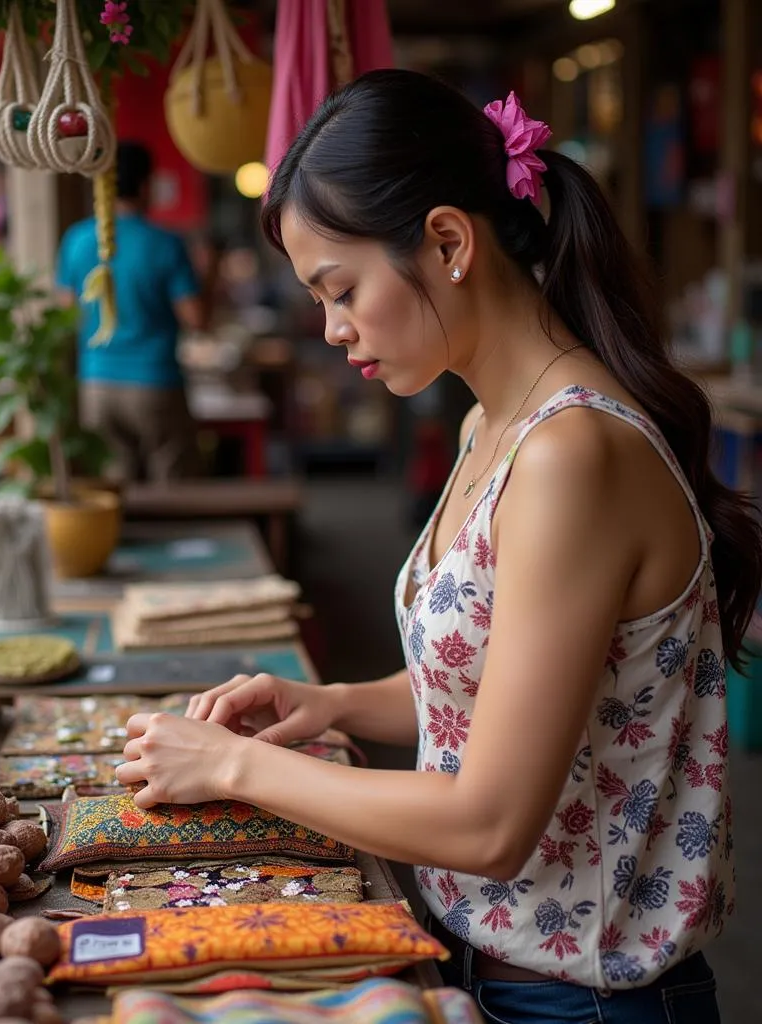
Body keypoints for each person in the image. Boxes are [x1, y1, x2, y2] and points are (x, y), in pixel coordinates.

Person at [114, 71, 762, 1023]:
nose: (334, 330)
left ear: (450, 242)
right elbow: (501, 695)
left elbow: (492, 822)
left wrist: (230, 768)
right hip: (496, 962)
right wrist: (328, 702)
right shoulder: (489, 429)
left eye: (341, 290)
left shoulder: (571, 454)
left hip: (582, 1000)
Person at [56, 141, 207, 482]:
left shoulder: (76, 241)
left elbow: (66, 315)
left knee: (115, 492)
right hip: (155, 382)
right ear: (144, 185)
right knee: (174, 489)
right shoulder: (166, 243)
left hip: (96, 383)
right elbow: (196, 319)